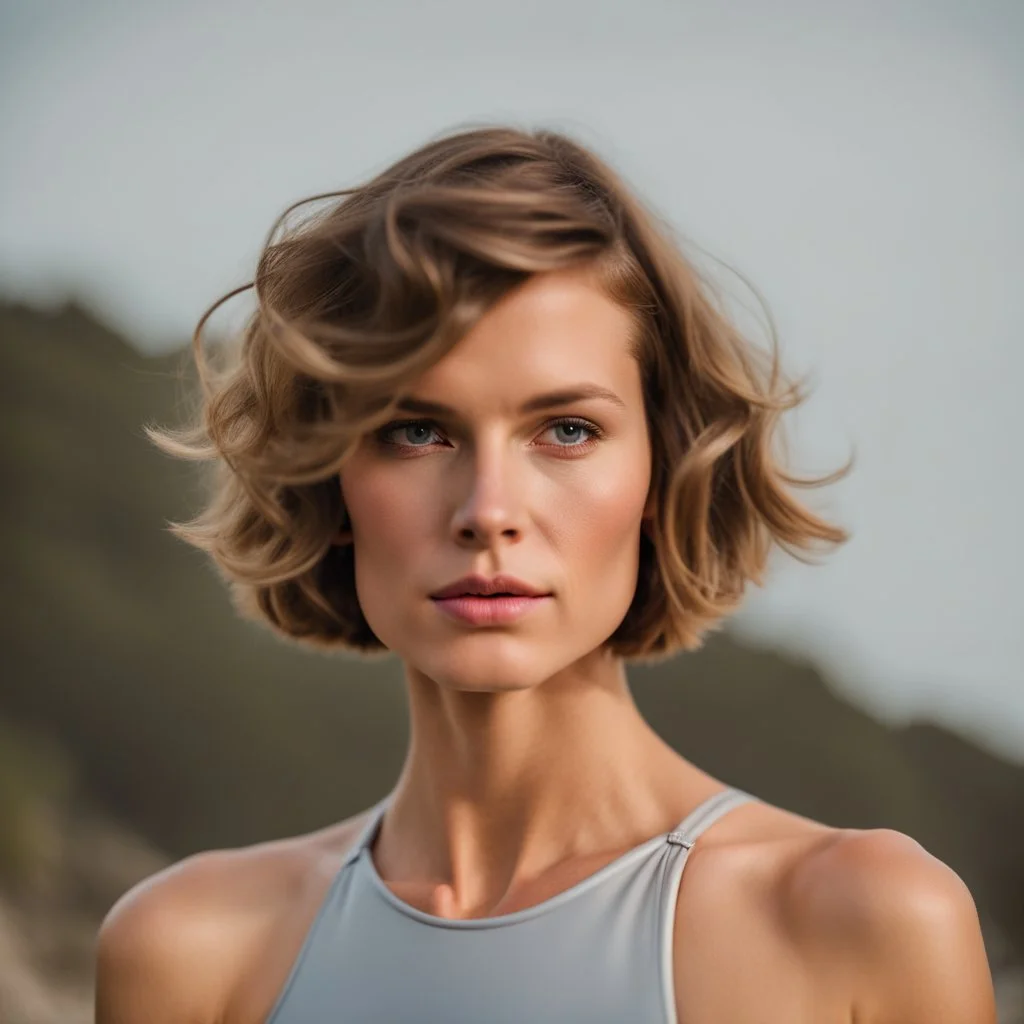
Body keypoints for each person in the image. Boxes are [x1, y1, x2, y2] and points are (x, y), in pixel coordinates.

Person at [94, 123, 997, 1023]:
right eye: (416, 430)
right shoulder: (189, 951)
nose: (489, 508)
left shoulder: (864, 920)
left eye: (566, 430)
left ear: (662, 469)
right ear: (328, 477)